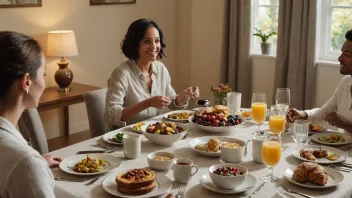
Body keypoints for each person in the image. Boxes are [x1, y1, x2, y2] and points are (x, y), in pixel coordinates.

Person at [105, 18, 199, 131]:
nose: (154, 47)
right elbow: (110, 115)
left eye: (157, 41)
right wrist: (147, 103)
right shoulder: (121, 73)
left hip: (152, 134)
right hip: (126, 138)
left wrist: (183, 96)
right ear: (135, 44)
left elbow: (173, 104)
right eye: (147, 41)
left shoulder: (160, 68)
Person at [0, 31, 62, 198]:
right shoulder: (25, 163)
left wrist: (36, 161)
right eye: (43, 74)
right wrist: (31, 164)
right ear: (26, 81)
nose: (43, 82)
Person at [287, 29, 352, 133]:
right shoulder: (346, 82)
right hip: (342, 147)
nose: (340, 58)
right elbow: (323, 113)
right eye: (342, 53)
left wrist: (346, 124)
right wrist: (303, 114)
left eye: (347, 55)